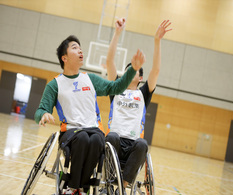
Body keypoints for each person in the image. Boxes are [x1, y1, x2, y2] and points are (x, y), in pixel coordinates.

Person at [34, 35, 145, 195]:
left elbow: (117, 87)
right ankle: (74, 188)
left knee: (95, 139)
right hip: (71, 133)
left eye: (80, 47)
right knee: (84, 138)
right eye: (74, 47)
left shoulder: (90, 79)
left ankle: (81, 189)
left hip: (94, 130)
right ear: (64, 58)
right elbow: (40, 110)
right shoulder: (55, 84)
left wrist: (132, 70)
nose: (80, 50)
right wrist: (43, 114)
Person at [105, 18, 172, 194]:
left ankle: (123, 186)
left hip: (133, 145)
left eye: (134, 70)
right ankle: (109, 181)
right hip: (115, 142)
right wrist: (117, 33)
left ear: (140, 77)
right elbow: (110, 62)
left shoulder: (143, 94)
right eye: (128, 70)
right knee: (110, 136)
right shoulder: (116, 88)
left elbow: (155, 71)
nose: (130, 72)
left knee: (143, 143)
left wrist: (157, 41)